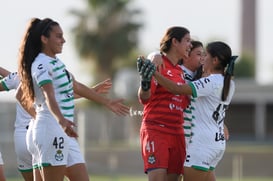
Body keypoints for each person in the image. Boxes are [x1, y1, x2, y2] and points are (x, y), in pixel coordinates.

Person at [17, 17, 129, 181]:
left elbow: (76, 86)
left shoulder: (57, 63)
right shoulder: (41, 64)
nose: (64, 40)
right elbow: (49, 95)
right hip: (51, 129)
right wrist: (61, 120)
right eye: (58, 36)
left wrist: (107, 102)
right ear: (44, 39)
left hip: (63, 132)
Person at [139, 41, 237, 181]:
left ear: (215, 60)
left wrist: (153, 72)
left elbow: (176, 89)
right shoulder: (229, 82)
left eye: (205, 55)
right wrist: (154, 55)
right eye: (199, 54)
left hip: (201, 145)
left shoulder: (210, 82)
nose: (203, 58)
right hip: (217, 144)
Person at [0, 67, 113, 181]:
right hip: (47, 131)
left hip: (27, 136)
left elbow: (17, 84)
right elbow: (21, 94)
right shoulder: (49, 70)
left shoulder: (20, 75)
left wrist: (90, 91)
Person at [137, 26, 192, 181]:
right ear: (175, 41)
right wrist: (145, 84)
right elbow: (144, 98)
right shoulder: (158, 63)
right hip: (157, 129)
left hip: (177, 132)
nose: (190, 45)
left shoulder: (181, 71)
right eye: (187, 41)